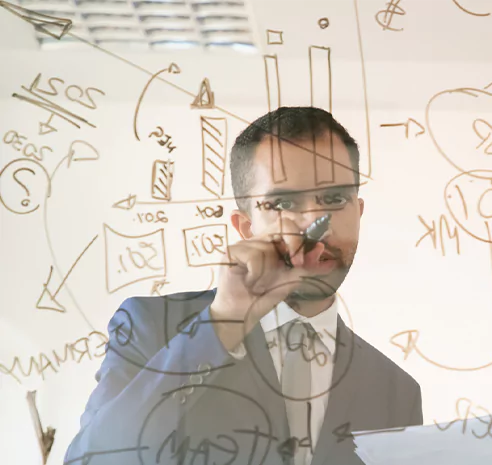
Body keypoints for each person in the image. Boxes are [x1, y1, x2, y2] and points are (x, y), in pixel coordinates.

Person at [65, 107, 423, 465]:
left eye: (335, 199)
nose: (317, 222)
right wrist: (224, 322)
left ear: (358, 212)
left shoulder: (395, 390)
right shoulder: (150, 326)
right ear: (246, 227)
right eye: (284, 202)